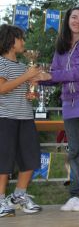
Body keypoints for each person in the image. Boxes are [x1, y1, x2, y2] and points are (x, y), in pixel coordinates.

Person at [40, 6, 79, 211]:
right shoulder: (61, 47)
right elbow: (55, 74)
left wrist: (51, 76)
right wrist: (38, 78)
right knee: (73, 151)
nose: (77, 21)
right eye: (74, 17)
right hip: (68, 103)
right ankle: (76, 194)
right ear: (67, 20)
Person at [0, 24, 42, 217]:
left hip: (25, 117)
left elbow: (22, 91)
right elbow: (1, 88)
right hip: (5, 117)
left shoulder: (25, 66)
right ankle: (0, 200)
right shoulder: (1, 63)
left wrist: (31, 92)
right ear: (10, 41)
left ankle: (19, 195)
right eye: (21, 38)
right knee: (4, 160)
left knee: (30, 157)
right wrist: (26, 76)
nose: (24, 42)